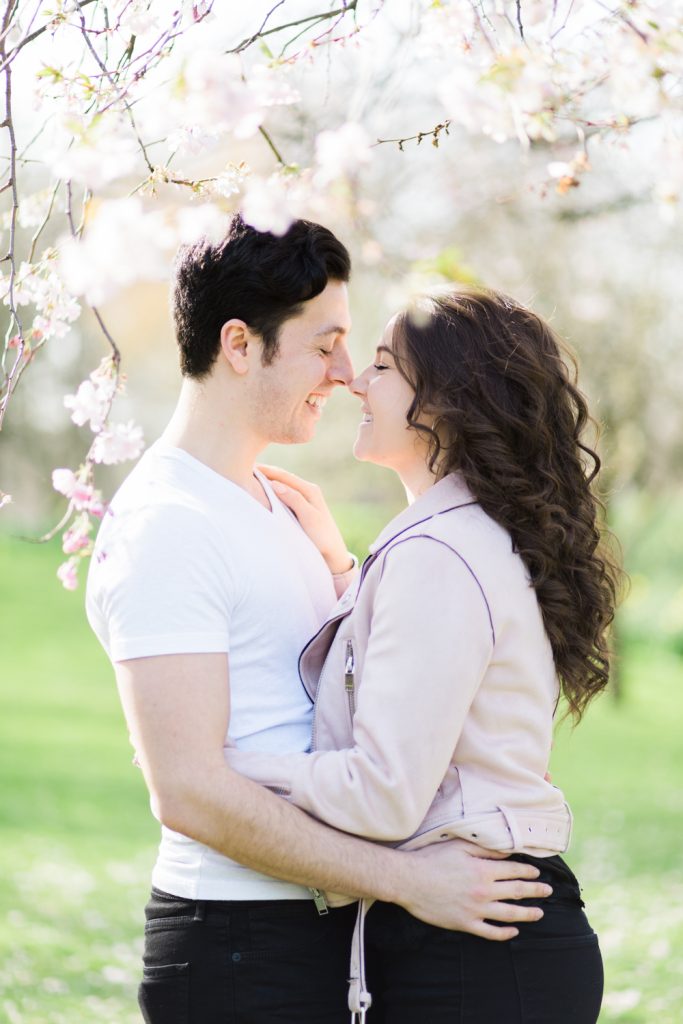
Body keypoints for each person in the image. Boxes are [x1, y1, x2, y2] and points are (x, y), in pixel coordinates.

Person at [85, 219, 551, 1024]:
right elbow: (188, 791)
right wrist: (408, 881)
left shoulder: (276, 504)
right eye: (326, 344)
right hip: (237, 942)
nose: (344, 375)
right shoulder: (166, 523)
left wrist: (342, 573)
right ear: (240, 344)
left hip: (332, 930)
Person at [225, 288, 620, 1023]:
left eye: (379, 365)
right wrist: (346, 574)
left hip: (476, 954)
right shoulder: (456, 535)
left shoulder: (438, 552)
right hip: (488, 937)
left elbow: (384, 793)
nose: (351, 381)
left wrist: (231, 767)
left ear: (443, 401)